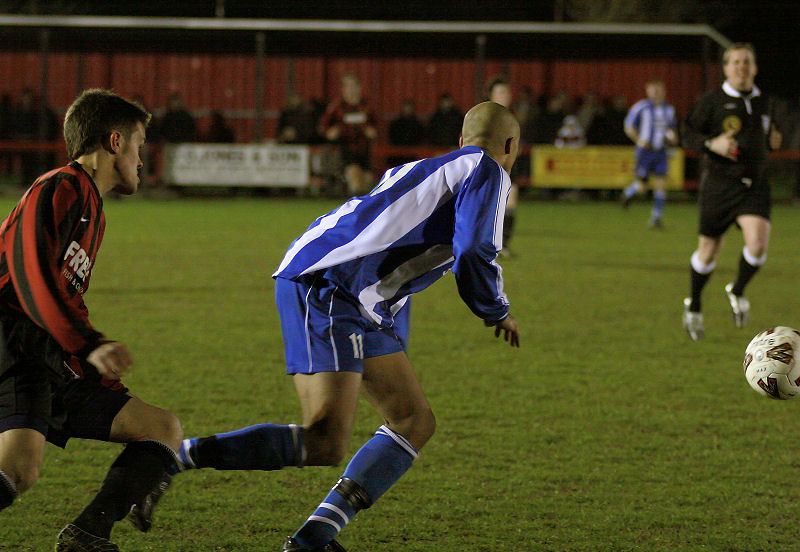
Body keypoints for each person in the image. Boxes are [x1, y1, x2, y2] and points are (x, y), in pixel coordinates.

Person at [172, 101, 521, 552]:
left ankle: (317, 535)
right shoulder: (489, 170)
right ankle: (173, 457)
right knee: (324, 439)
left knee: (414, 420)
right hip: (334, 287)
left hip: (348, 288)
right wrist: (496, 310)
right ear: (511, 145)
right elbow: (475, 249)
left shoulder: (422, 168)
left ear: (459, 141)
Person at [0, 89, 183, 551]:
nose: (142, 160)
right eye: (140, 147)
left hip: (49, 348)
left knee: (161, 430)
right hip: (12, 338)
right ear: (115, 142)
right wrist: (87, 342)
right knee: (18, 471)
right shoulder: (58, 186)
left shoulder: (93, 209)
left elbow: (64, 293)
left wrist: (90, 360)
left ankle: (87, 535)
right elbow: (30, 273)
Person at [681, 43, 782, 341]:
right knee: (709, 251)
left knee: (758, 245)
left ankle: (737, 290)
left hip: (755, 184)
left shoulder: (766, 101)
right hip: (719, 186)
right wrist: (712, 144)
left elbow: (767, 133)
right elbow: (687, 133)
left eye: (746, 62)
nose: (741, 67)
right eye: (735, 62)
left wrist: (774, 140)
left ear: (755, 68)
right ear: (725, 68)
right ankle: (694, 305)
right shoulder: (712, 101)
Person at [620, 80, 678, 228]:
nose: (656, 92)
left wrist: (672, 137)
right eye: (653, 89)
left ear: (663, 91)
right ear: (648, 91)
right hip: (645, 152)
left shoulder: (669, 110)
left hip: (661, 151)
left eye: (658, 89)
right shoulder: (641, 107)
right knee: (642, 186)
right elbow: (628, 126)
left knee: (661, 184)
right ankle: (628, 193)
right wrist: (639, 139)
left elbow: (671, 129)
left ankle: (656, 218)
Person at [318, 73, 377, 196]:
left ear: (359, 88)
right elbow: (323, 127)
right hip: (344, 150)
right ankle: (355, 208)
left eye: (353, 86)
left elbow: (377, 126)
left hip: (365, 150)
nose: (350, 90)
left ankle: (361, 208)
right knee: (354, 177)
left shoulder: (367, 107)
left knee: (367, 181)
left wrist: (372, 131)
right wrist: (330, 132)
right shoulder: (336, 107)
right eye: (347, 87)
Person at [487, 77, 520, 256]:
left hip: (505, 167)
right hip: (487, 166)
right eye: (500, 92)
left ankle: (502, 245)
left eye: (506, 92)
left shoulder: (511, 116)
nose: (505, 95)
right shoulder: (485, 115)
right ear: (491, 96)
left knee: (511, 198)